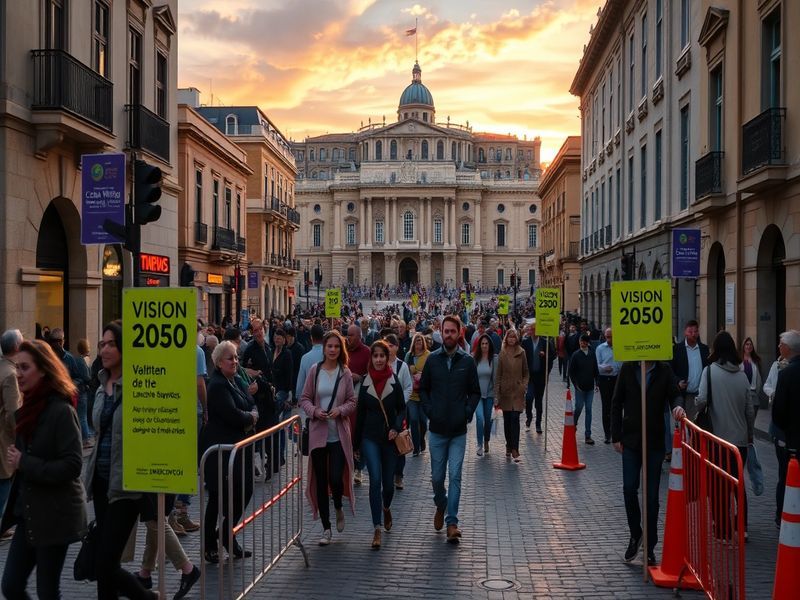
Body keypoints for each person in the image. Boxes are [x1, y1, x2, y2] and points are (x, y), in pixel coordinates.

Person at [0, 340, 86, 599]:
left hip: (55, 515)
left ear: (44, 370)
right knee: (11, 585)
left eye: (25, 367)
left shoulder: (61, 410)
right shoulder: (27, 409)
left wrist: (25, 462)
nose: (18, 373)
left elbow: (73, 465)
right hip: (29, 512)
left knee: (47, 591)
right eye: (17, 367)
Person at [83, 321, 156, 599]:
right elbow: (99, 431)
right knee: (107, 564)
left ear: (126, 348)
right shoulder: (102, 385)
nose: (104, 349)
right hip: (101, 482)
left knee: (104, 563)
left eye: (111, 344)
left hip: (127, 483)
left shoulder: (139, 385)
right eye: (102, 344)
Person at [612, 359, 685, 566]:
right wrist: (616, 435)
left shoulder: (664, 370)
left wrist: (678, 407)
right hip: (631, 440)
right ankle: (636, 534)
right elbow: (616, 402)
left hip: (654, 442)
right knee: (629, 489)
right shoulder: (628, 368)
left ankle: (650, 546)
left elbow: (675, 394)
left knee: (652, 497)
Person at [419, 315, 481, 544]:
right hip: (436, 429)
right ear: (441, 332)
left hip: (457, 431)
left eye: (453, 331)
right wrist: (430, 411)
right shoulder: (432, 360)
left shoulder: (467, 361)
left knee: (455, 475)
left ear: (459, 333)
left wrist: (467, 412)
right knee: (437, 478)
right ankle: (441, 503)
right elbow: (423, 389)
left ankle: (452, 522)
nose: (449, 335)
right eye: (446, 331)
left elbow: (475, 392)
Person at [200, 341, 258, 563]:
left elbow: (250, 401)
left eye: (235, 357)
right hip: (219, 450)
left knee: (245, 490)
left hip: (236, 448)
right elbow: (234, 415)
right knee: (217, 497)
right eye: (230, 358)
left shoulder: (233, 380)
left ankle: (225, 533)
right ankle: (209, 545)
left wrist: (250, 413)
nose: (234, 361)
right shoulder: (217, 385)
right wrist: (250, 417)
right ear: (218, 363)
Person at [298, 331, 357, 546]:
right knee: (321, 481)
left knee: (335, 477)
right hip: (318, 434)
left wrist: (340, 410)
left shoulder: (345, 373)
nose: (332, 350)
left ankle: (339, 506)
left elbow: (352, 401)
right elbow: (304, 398)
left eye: (336, 346)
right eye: (329, 346)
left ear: (341, 349)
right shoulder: (315, 371)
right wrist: (315, 411)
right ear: (324, 348)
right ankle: (326, 527)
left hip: (338, 435)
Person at [695, 330, 754, 539]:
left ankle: (722, 529)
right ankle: (743, 527)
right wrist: (749, 434)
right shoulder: (742, 375)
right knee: (738, 484)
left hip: (717, 440)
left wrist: (698, 404)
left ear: (715, 349)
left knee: (718, 485)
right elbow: (749, 410)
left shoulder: (709, 372)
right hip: (740, 441)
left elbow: (702, 400)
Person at [353, 340, 406, 549]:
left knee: (388, 485)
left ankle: (386, 507)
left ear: (387, 357)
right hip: (370, 437)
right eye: (375, 356)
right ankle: (376, 527)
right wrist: (356, 444)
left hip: (390, 439)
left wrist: (396, 427)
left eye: (381, 356)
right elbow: (360, 415)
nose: (378, 359)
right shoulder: (365, 382)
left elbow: (402, 408)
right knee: (375, 479)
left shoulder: (394, 380)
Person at [769, 330, 800, 528]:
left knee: (785, 478)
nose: (779, 347)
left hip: (789, 439)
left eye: (781, 344)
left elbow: (778, 412)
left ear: (788, 348)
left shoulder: (786, 374)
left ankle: (782, 516)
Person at [495, 328, 529, 463]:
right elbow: (498, 375)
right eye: (509, 337)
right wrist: (497, 393)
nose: (511, 339)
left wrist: (523, 385)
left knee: (515, 418)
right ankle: (508, 445)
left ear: (517, 339)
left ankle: (515, 448)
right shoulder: (502, 354)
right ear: (506, 338)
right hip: (506, 392)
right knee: (508, 420)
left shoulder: (522, 352)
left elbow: (526, 372)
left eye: (514, 337)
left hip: (518, 391)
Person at [0, 330, 23, 520]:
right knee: (4, 479)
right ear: (17, 347)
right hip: (4, 438)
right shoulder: (11, 374)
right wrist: (20, 439)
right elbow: (13, 412)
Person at [671, 320, 710, 420]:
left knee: (700, 423)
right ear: (685, 332)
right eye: (690, 332)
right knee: (687, 423)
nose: (693, 334)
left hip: (701, 395)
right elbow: (670, 371)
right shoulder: (677, 349)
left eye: (695, 331)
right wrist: (678, 382)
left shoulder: (704, 349)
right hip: (685, 395)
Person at [521, 322, 555, 434]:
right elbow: (521, 359)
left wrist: (545, 357)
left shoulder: (545, 342)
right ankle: (529, 416)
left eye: (534, 329)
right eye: (531, 329)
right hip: (530, 376)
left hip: (540, 376)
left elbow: (552, 357)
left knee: (539, 401)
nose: (532, 332)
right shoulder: (525, 342)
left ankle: (538, 423)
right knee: (529, 397)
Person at [569, 333, 599, 444]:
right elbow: (571, 372)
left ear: (587, 343)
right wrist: (575, 384)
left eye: (584, 342)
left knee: (589, 409)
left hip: (590, 387)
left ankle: (588, 435)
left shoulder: (592, 354)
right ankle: (574, 422)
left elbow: (595, 369)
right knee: (579, 407)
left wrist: (597, 383)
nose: (582, 343)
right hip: (579, 388)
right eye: (581, 341)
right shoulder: (575, 355)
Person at [405, 332, 430, 456]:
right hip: (412, 394)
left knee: (423, 421)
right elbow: (405, 371)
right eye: (416, 341)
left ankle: (421, 439)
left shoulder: (428, 355)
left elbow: (431, 372)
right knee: (414, 420)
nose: (418, 343)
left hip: (424, 393)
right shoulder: (409, 356)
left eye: (420, 341)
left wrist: (422, 374)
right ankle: (416, 447)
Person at [595, 328, 622, 444]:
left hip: (617, 379)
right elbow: (596, 365)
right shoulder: (600, 348)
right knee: (606, 407)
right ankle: (607, 433)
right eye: (607, 337)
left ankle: (617, 432)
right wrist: (604, 368)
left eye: (610, 337)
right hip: (605, 379)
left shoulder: (620, 348)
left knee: (617, 406)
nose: (609, 339)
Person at [471, 334, 496, 457]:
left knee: (488, 419)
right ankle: (479, 444)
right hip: (477, 395)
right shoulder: (475, 359)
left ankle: (486, 440)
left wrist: (497, 396)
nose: (484, 346)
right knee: (480, 418)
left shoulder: (494, 359)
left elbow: (495, 378)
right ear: (479, 345)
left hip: (490, 394)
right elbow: (471, 378)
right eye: (482, 344)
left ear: (489, 345)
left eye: (486, 343)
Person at [739, 337, 763, 415]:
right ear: (743, 346)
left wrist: (757, 392)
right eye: (747, 344)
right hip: (741, 394)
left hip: (753, 394)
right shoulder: (738, 360)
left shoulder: (757, 360)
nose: (749, 346)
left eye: (750, 344)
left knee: (752, 419)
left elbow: (760, 377)